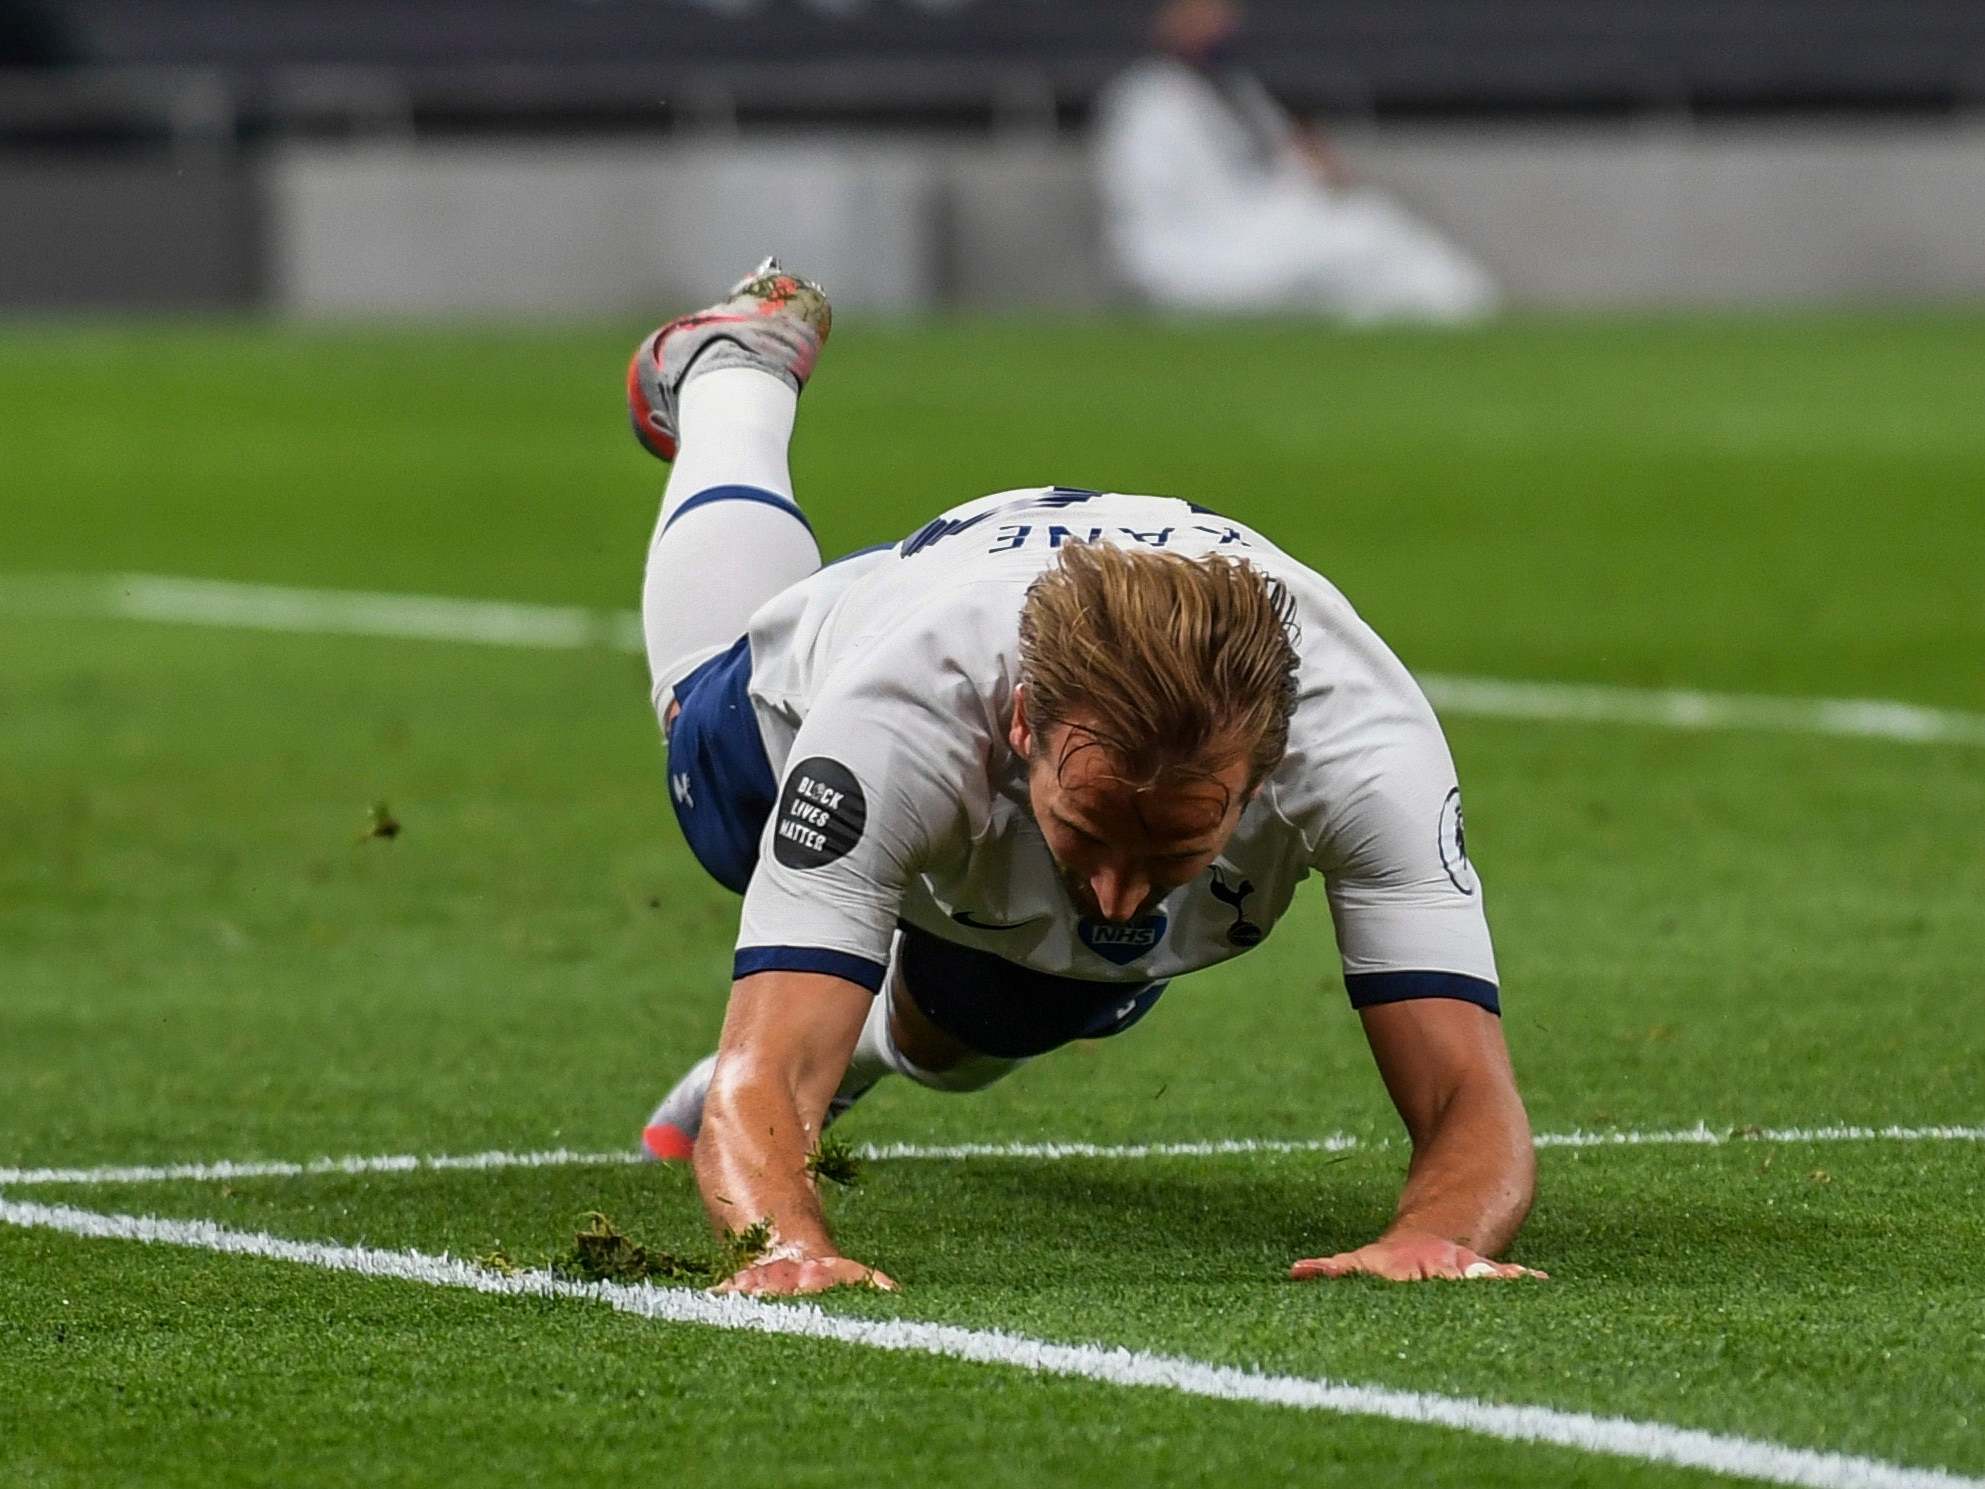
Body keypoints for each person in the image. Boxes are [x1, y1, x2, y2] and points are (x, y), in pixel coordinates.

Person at [631, 260, 1543, 1296]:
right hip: (815, 673)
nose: (1115, 892)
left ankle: (874, 1040)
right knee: (710, 801)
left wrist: (1437, 1230)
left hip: (1007, 766)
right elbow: (766, 1071)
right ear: (1021, 723)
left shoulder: (1365, 749)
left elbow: (1469, 1097)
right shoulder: (896, 716)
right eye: (1091, 828)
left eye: (1173, 847)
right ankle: (730, 375)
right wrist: (790, 1239)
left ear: (1269, 770)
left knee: (992, 1022)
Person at [1091, 0, 1499, 323]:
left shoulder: (1233, 90)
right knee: (1365, 230)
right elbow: (1153, 198)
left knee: (1370, 228)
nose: (1221, 25)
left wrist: (1309, 169)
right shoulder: (1147, 100)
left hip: (1252, 226)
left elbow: (1286, 156)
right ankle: (1459, 309)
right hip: (1203, 244)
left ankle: (1455, 308)